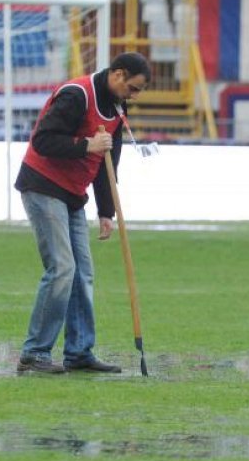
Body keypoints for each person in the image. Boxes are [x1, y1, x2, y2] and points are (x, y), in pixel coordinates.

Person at [14, 52, 151, 374]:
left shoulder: (118, 106)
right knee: (62, 268)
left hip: (74, 195)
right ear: (117, 75)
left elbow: (108, 163)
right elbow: (44, 140)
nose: (134, 95)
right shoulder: (76, 95)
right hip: (43, 185)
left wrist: (106, 211)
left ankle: (78, 352)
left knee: (83, 273)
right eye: (133, 88)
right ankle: (34, 353)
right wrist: (85, 145)